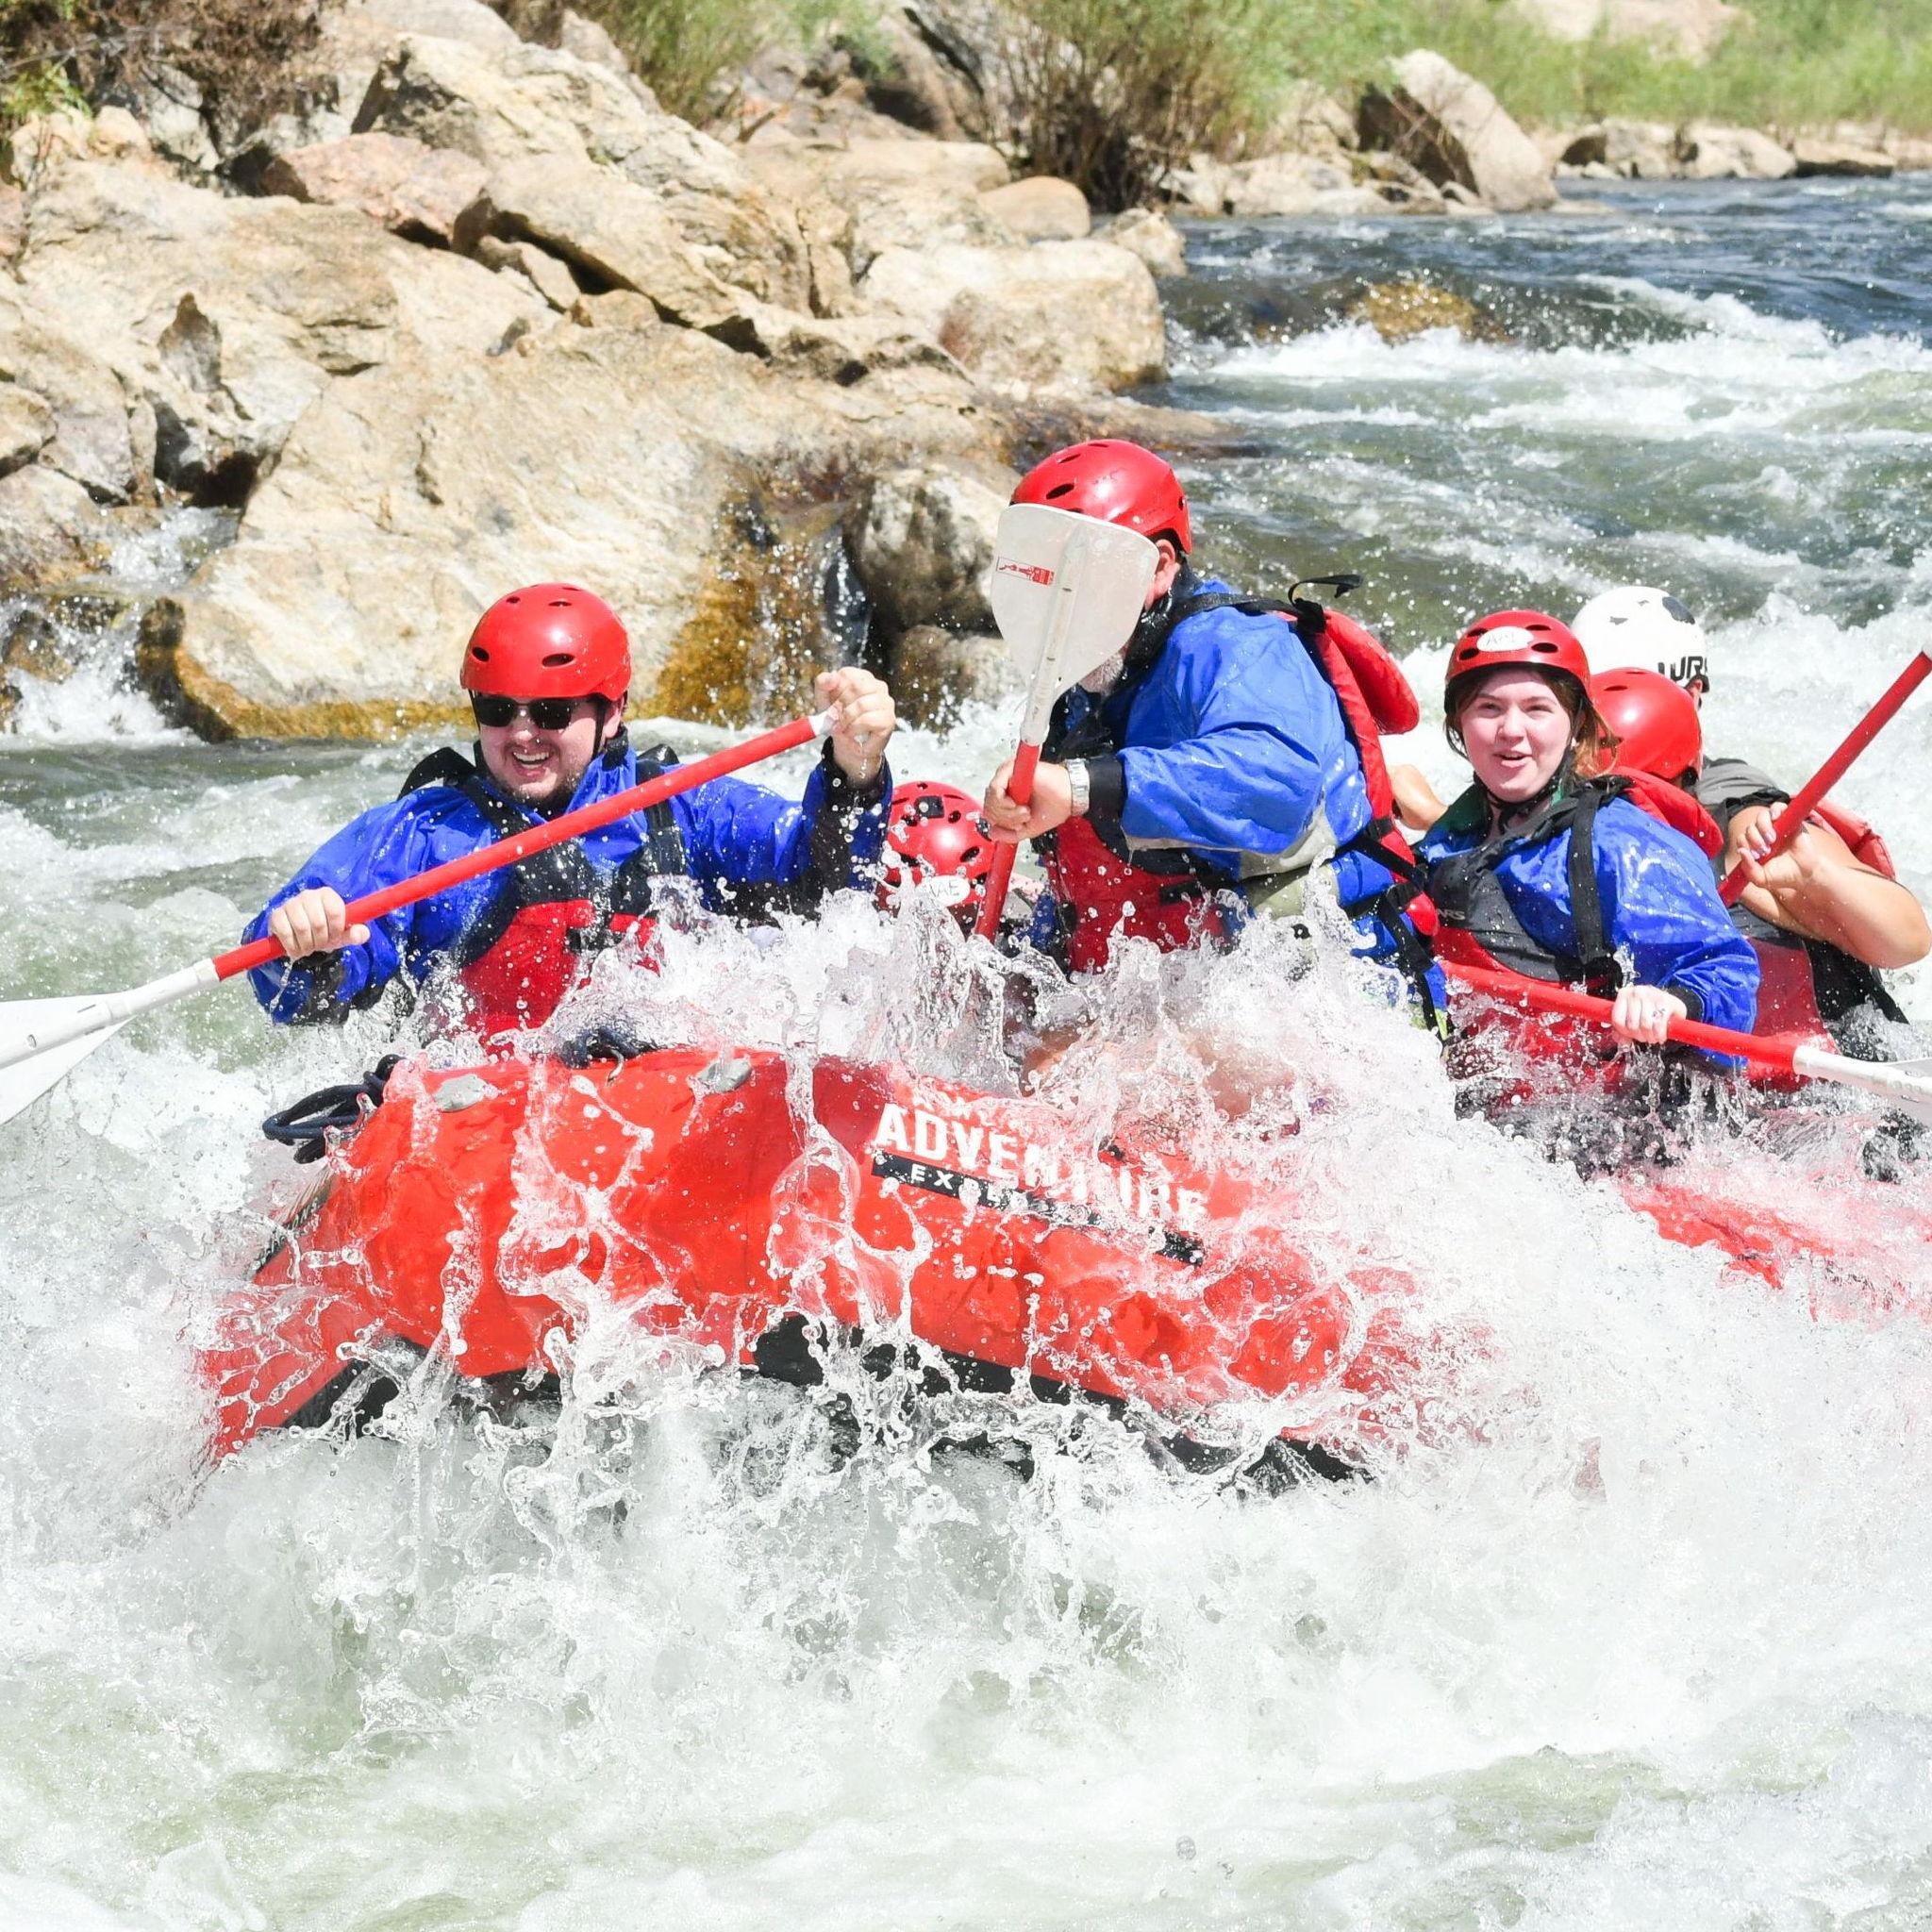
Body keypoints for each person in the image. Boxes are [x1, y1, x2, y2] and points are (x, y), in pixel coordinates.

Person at [249, 583, 895, 1041]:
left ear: (612, 711)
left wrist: (855, 771)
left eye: (553, 713)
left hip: (663, 1110)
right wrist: (303, 948)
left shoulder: (682, 807)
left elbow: (830, 883)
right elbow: (295, 994)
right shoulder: (421, 834)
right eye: (498, 711)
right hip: (480, 1123)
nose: (522, 734)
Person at [976, 439, 1439, 1012]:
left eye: (1073, 586)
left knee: (1069, 1060)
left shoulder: (1239, 644)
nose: (1057, 614)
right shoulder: (1090, 672)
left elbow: (1275, 784)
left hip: (1342, 990)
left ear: (1159, 567)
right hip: (1185, 979)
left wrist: (1077, 786)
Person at [1418, 611, 1757, 1075]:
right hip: (1477, 1094)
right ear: (1459, 724)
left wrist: (1672, 1001)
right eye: (1489, 708)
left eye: (1537, 709)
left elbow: (1727, 973)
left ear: (1576, 724)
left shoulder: (1621, 843)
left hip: (1600, 1113)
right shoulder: (1447, 842)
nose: (1511, 730)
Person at [1591, 665, 1929, 1052]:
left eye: (1623, 802)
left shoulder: (1747, 838)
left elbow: (1908, 942)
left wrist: (1816, 874)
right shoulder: (1572, 853)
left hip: (1853, 1072)